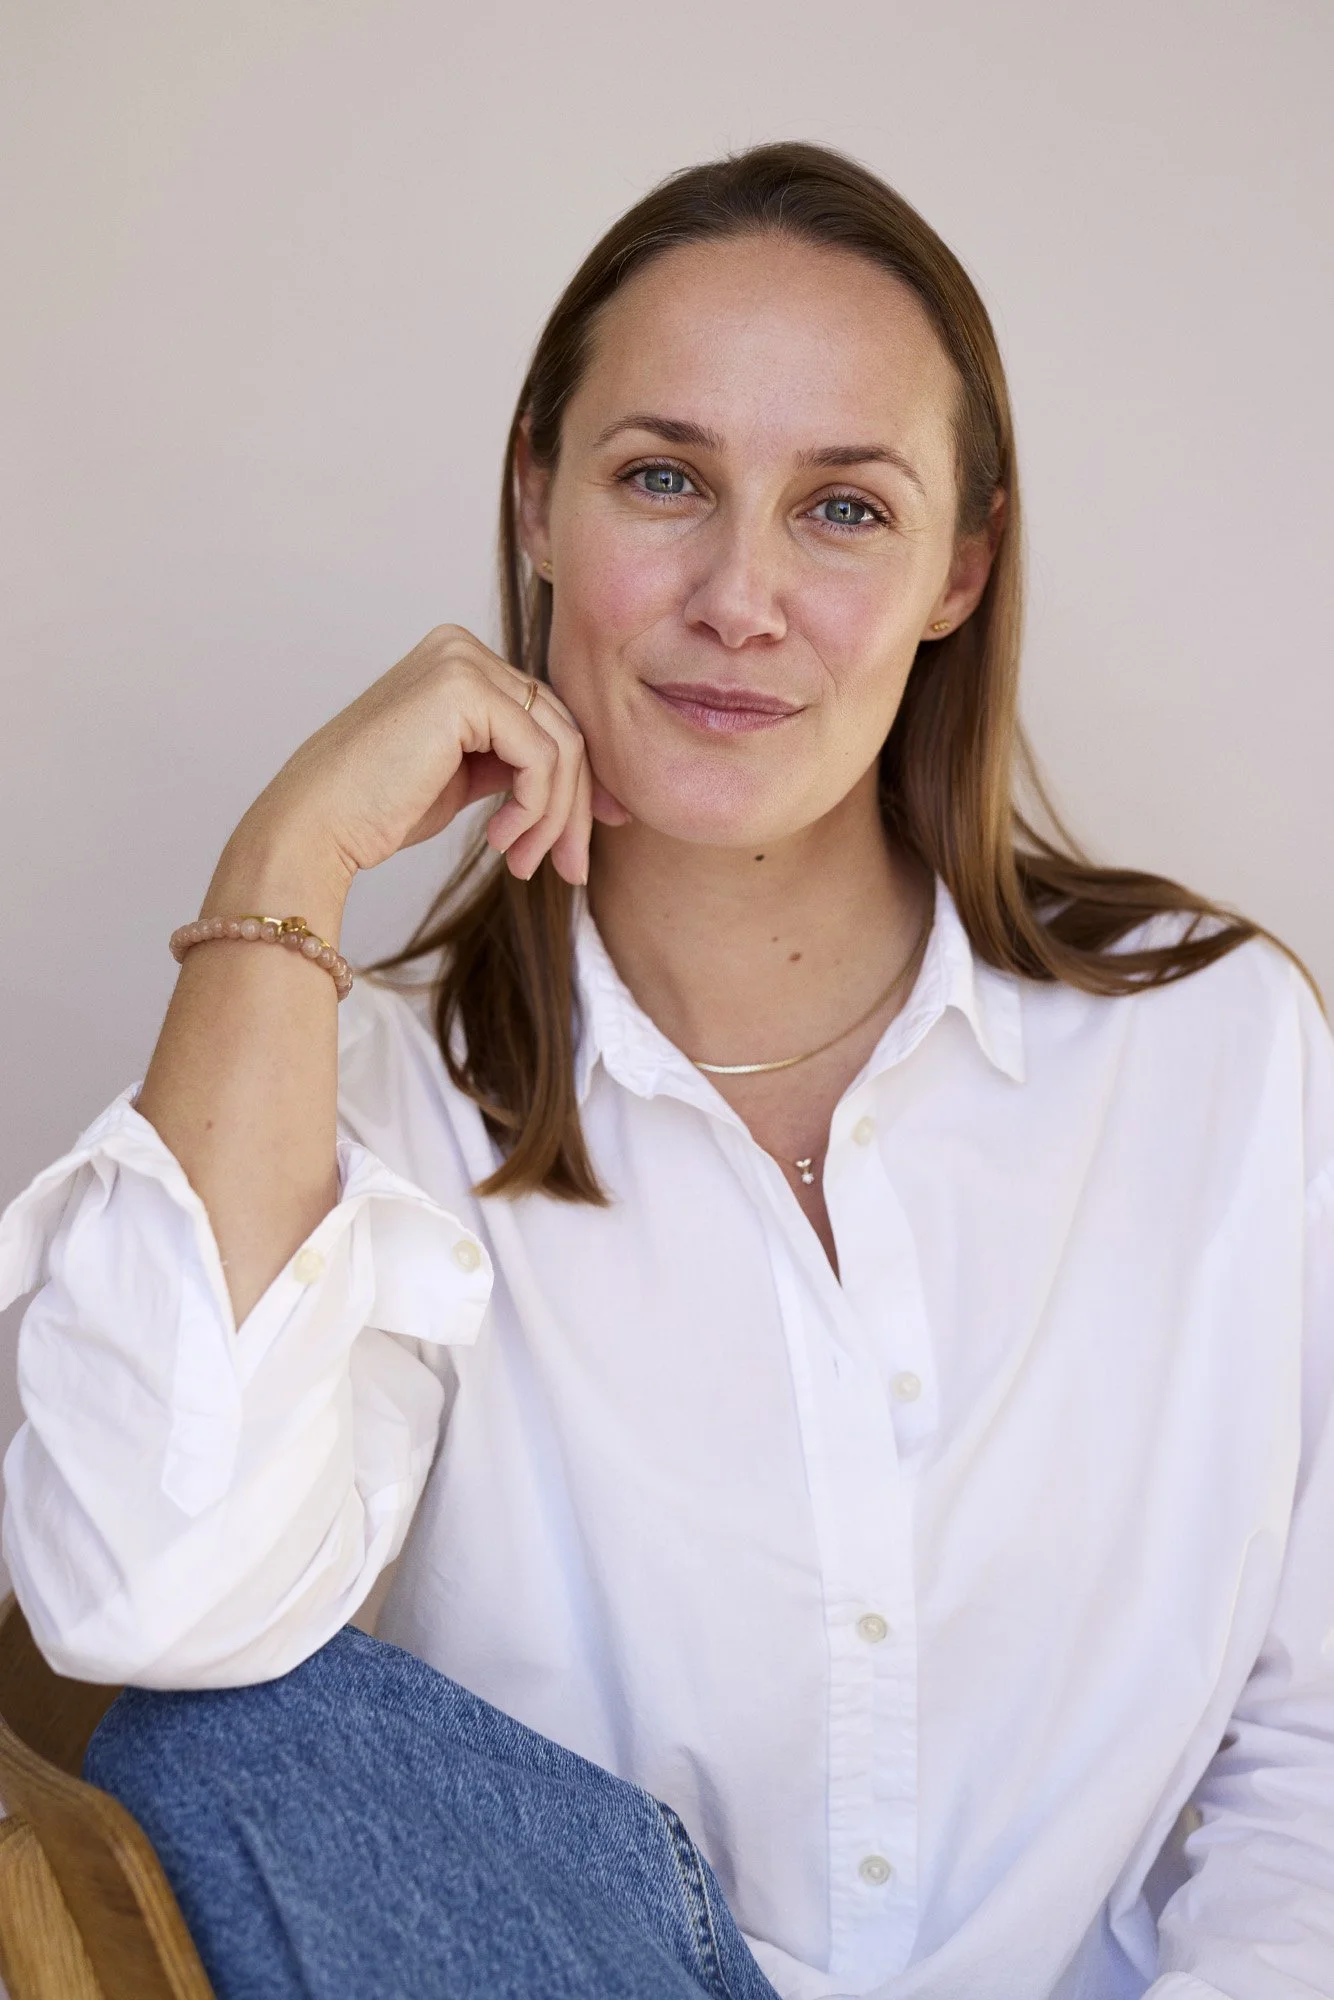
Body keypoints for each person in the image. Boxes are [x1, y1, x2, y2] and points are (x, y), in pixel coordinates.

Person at [1, 140, 1330, 2000]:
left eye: (843, 510)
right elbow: (136, 1595)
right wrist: (280, 867)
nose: (738, 593)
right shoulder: (373, 1099)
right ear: (536, 503)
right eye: (661, 480)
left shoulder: (1213, 1047)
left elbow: (1315, 1761)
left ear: (961, 566)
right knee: (220, 1736)